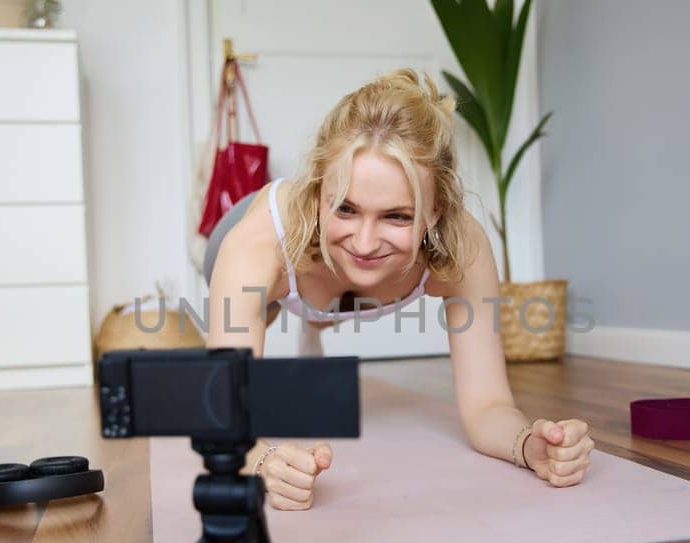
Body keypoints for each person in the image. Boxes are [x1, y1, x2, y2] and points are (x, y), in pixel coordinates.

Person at [202, 69, 594, 511]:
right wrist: (261, 461)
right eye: (345, 208)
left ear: (435, 213)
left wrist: (527, 444)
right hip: (256, 252)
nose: (366, 243)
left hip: (326, 281)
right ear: (316, 195)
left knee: (326, 296)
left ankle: (315, 317)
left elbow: (487, 406)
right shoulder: (257, 245)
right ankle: (307, 315)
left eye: (397, 217)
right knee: (259, 321)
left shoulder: (463, 250)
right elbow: (225, 424)